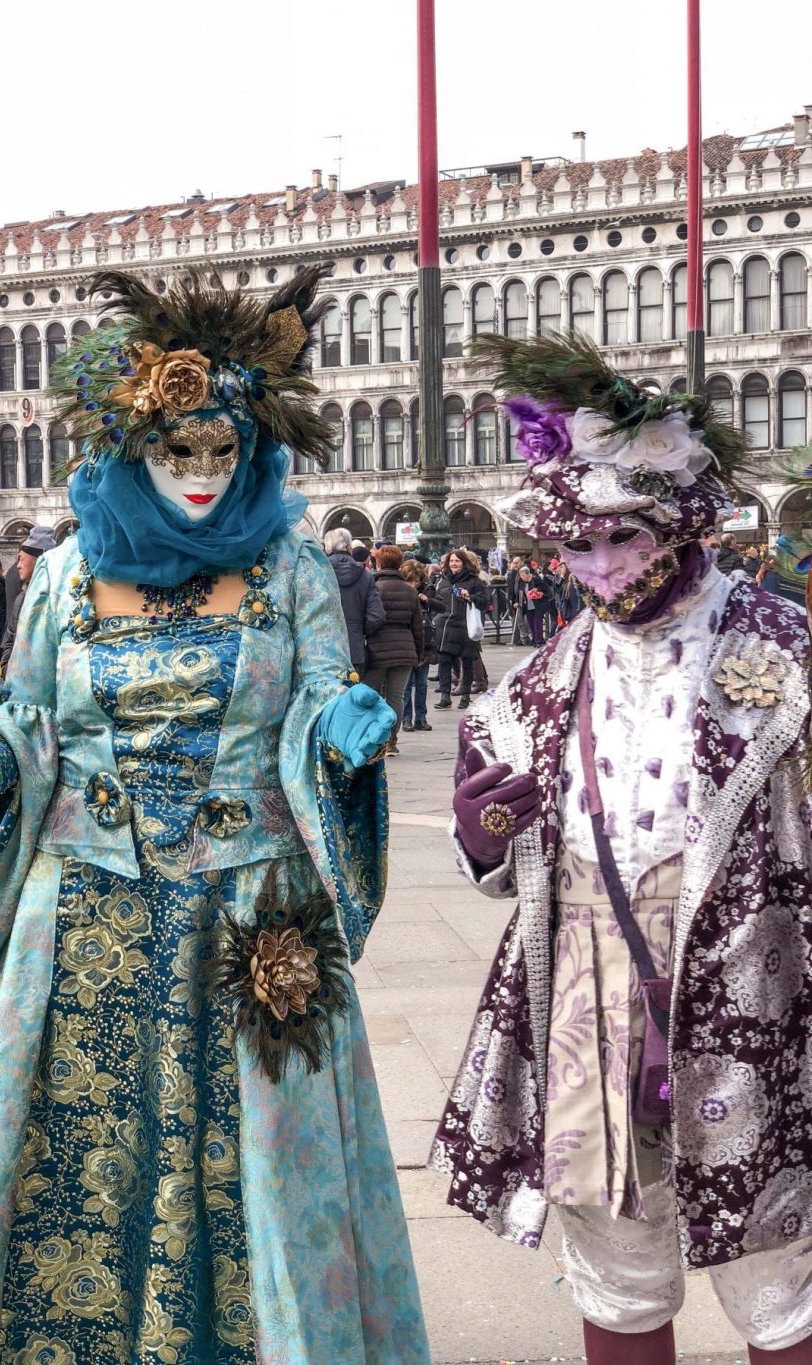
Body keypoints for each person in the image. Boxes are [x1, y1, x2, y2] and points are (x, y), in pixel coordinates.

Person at [0, 266, 428, 1363]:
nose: (199, 476)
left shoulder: (289, 569)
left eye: (221, 453)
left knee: (264, 1160)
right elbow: (27, 719)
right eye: (173, 452)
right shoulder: (61, 575)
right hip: (87, 911)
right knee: (77, 1152)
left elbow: (323, 692)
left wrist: (342, 732)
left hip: (249, 909)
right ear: (126, 453)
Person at [431, 332, 812, 1365]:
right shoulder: (539, 680)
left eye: (624, 541)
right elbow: (504, 846)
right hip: (589, 1001)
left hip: (756, 992)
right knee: (618, 1267)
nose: (600, 569)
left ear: (679, 526)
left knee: (780, 1273)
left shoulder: (784, 649)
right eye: (576, 549)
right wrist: (486, 835)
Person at [364, 544, 423, 754]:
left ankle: (372, 739)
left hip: (377, 647)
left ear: (378, 562)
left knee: (369, 694)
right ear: (400, 564)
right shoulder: (410, 591)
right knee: (395, 698)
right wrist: (418, 652)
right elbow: (418, 625)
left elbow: (369, 618)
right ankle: (392, 741)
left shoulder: (372, 586)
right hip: (404, 647)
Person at [324, 526, 386, 677]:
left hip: (323, 648)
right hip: (354, 648)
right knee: (352, 696)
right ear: (349, 547)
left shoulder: (318, 572)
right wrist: (359, 631)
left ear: (327, 548)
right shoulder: (365, 576)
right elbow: (377, 615)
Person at [436, 549, 490, 708]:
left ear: (464, 563)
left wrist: (470, 597)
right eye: (451, 561)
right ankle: (445, 696)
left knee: (466, 661)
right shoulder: (443, 580)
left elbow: (484, 603)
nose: (453, 564)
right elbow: (437, 600)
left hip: (465, 625)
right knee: (444, 660)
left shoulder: (474, 582)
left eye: (457, 561)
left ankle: (465, 695)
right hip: (446, 626)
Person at [0, 526, 57, 671]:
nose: (18, 565)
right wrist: (7, 670)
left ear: (40, 560)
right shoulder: (22, 598)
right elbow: (11, 638)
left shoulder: (58, 596)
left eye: (22, 559)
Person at [400, 558, 442, 731]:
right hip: (406, 641)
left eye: (416, 581)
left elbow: (442, 606)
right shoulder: (400, 590)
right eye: (410, 581)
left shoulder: (428, 588)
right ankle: (407, 718)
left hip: (425, 642)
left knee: (422, 683)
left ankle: (421, 717)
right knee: (407, 685)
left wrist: (427, 600)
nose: (413, 585)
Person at [515, 563, 548, 646]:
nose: (521, 577)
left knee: (537, 623)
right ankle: (534, 639)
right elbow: (519, 592)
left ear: (528, 574)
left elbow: (545, 588)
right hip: (527, 605)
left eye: (523, 575)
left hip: (538, 604)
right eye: (520, 575)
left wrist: (537, 589)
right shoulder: (521, 581)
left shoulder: (535, 579)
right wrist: (517, 601)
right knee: (531, 623)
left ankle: (539, 640)